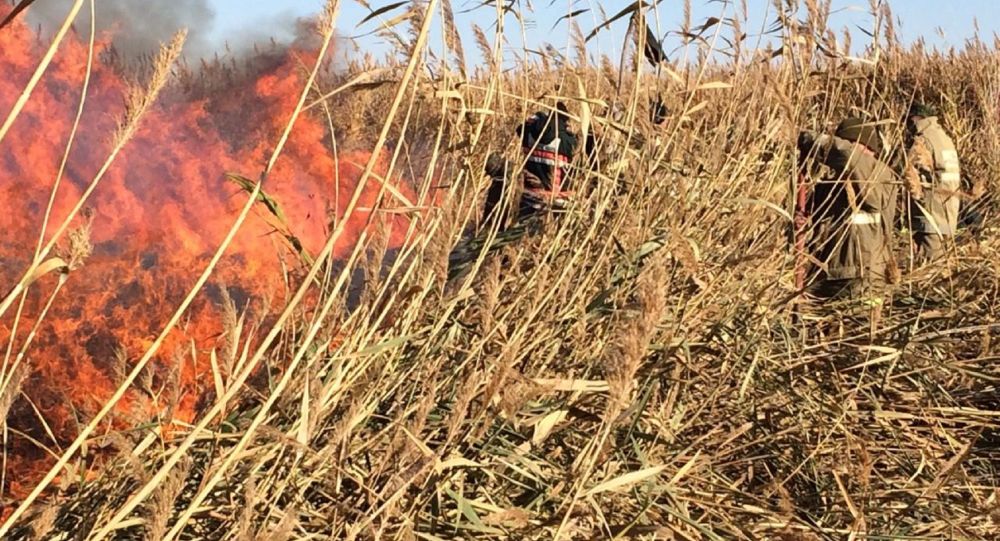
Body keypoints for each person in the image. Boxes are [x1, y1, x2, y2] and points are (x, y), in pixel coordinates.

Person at [798, 118, 900, 300]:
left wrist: (807, 138)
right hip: (833, 274)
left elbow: (847, 154)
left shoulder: (876, 172)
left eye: (849, 142)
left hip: (862, 277)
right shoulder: (836, 182)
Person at [482, 101, 579, 230]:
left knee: (523, 229)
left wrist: (536, 119)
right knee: (560, 230)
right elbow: (578, 154)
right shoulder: (567, 141)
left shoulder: (529, 134)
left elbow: (519, 129)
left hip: (531, 192)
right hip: (557, 195)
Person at [903, 103, 962, 261]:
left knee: (928, 266)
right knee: (942, 265)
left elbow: (908, 170)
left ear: (914, 119)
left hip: (930, 215)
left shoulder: (923, 140)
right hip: (948, 211)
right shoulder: (944, 137)